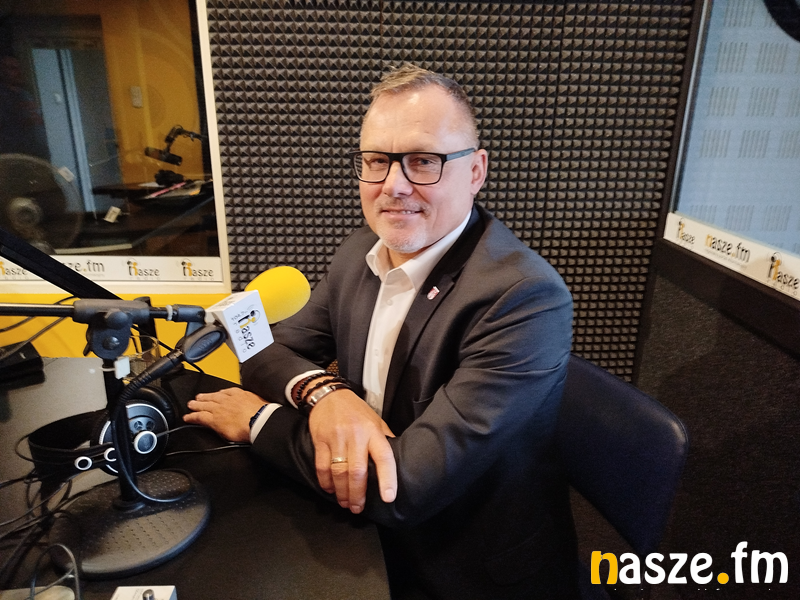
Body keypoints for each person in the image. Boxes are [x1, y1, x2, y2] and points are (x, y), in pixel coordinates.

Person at [184, 64, 578, 599]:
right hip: (362, 534)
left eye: (423, 161)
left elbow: (402, 486)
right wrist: (326, 395)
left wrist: (259, 422)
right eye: (376, 161)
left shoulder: (524, 298)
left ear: (476, 170)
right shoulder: (359, 253)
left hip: (459, 567)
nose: (393, 185)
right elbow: (263, 350)